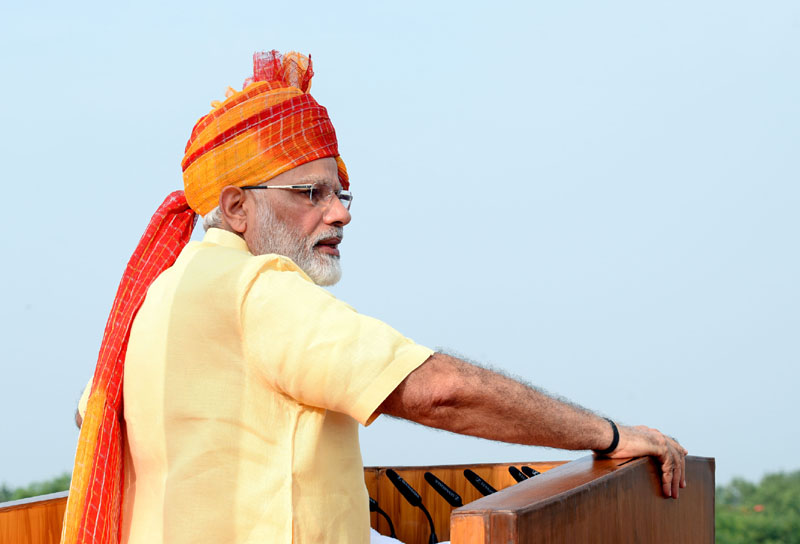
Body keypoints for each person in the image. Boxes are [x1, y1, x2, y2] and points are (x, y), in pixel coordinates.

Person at [65, 50, 687, 544]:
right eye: (311, 193)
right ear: (235, 207)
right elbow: (440, 391)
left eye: (340, 194)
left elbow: (93, 416)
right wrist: (609, 436)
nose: (340, 213)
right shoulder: (257, 290)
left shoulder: (156, 300)